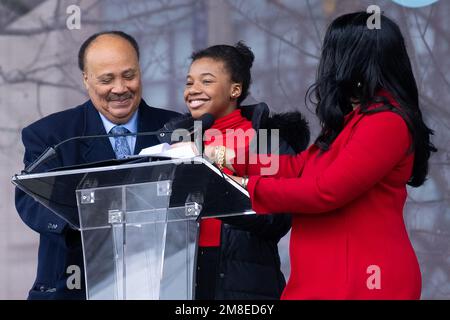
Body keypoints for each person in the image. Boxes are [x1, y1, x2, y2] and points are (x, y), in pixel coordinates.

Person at [211, 12, 437, 299]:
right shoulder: (352, 122)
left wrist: (243, 186)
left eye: (332, 52)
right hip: (328, 278)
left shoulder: (386, 123)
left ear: (353, 60)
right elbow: (296, 167)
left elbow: (325, 191)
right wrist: (228, 159)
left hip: (363, 281)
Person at [15, 31, 180, 299]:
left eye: (129, 75)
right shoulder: (51, 134)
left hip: (161, 283)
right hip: (74, 284)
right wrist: (93, 213)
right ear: (86, 79)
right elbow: (32, 201)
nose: (120, 88)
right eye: (107, 79)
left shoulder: (176, 129)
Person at [162, 42, 310, 299]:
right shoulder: (175, 143)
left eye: (206, 81)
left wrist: (219, 186)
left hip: (244, 279)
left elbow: (277, 219)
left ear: (235, 89)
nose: (193, 90)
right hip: (181, 278)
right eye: (189, 83)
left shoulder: (265, 141)